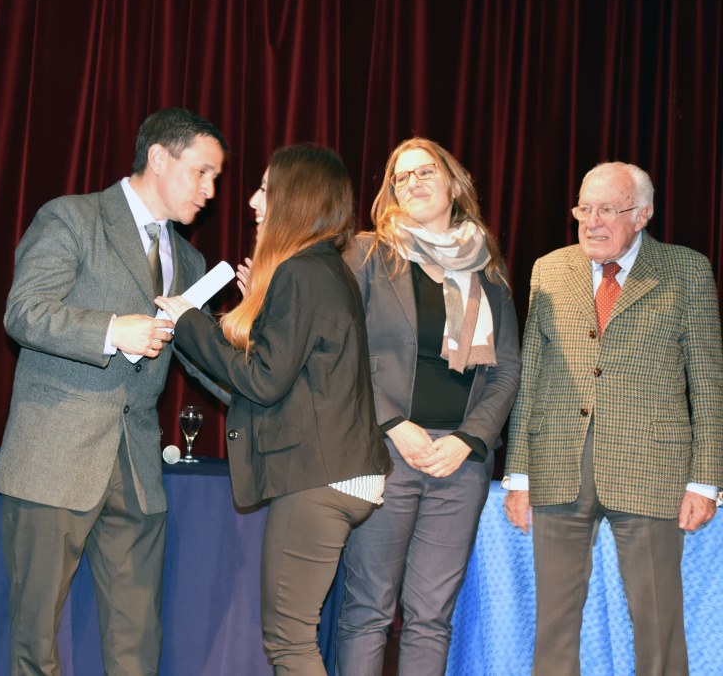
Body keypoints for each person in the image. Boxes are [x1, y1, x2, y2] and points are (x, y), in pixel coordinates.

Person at [0, 107, 227, 676]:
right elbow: (23, 312)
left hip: (138, 466)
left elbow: (203, 365)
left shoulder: (191, 260)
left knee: (137, 642)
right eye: (202, 172)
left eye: (215, 178)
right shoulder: (73, 218)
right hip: (55, 454)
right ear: (159, 157)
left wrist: (247, 333)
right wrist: (110, 329)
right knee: (34, 639)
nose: (211, 190)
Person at [156, 144, 392, 676]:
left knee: (288, 642)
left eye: (265, 189)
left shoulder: (304, 273)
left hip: (321, 477)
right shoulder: (319, 271)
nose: (251, 201)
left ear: (294, 198)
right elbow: (285, 379)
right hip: (338, 475)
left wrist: (191, 320)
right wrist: (249, 313)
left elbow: (262, 381)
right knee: (294, 637)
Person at [503, 161, 723, 675]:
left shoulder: (685, 271)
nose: (591, 222)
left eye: (607, 210)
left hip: (652, 472)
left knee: (657, 625)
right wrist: (518, 473)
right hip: (558, 464)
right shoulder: (549, 269)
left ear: (642, 214)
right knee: (553, 626)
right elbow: (530, 374)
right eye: (584, 209)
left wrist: (705, 479)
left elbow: (708, 383)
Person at [335, 138, 521, 675]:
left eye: (424, 172)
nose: (412, 183)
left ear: (452, 183)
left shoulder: (488, 272)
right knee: (369, 608)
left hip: (459, 464)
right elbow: (345, 349)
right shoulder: (369, 254)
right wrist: (394, 423)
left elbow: (506, 369)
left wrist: (467, 440)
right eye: (400, 176)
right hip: (385, 452)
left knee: (431, 617)